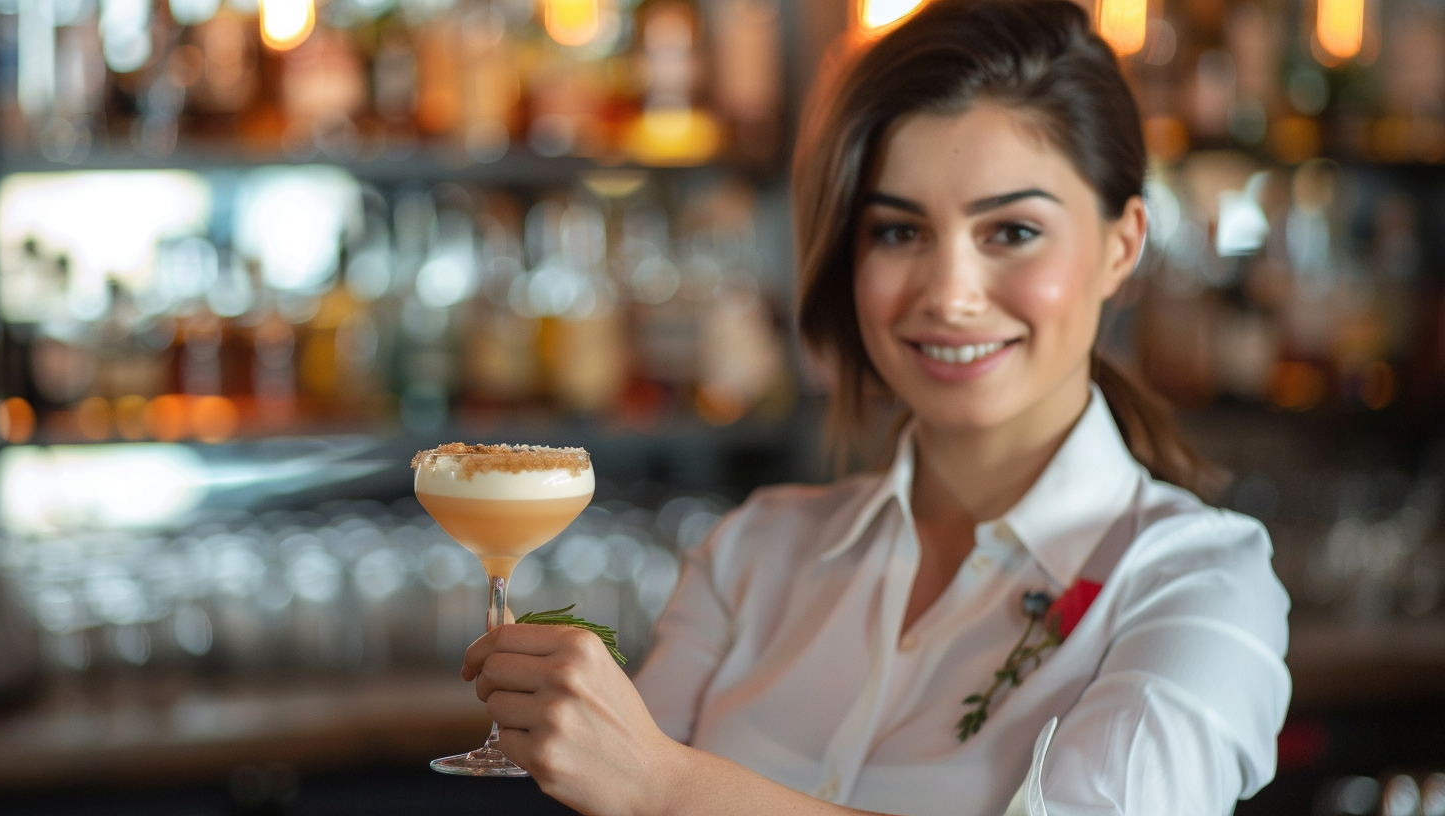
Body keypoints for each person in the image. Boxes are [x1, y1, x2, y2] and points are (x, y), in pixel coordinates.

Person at [460, 1, 1292, 814]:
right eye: (899, 232)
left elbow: (644, 786)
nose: (950, 295)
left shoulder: (1198, 583)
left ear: (1122, 245)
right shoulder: (754, 553)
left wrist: (666, 787)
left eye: (1011, 232)